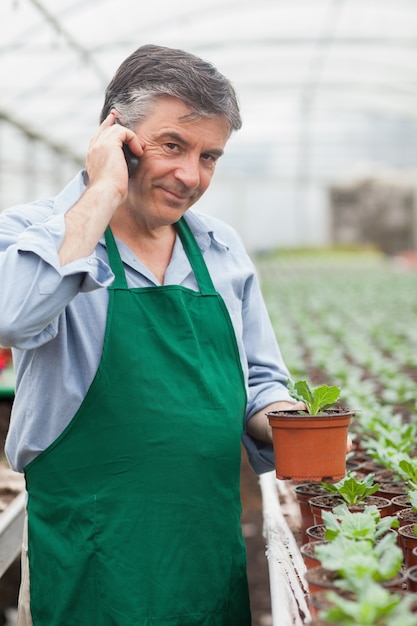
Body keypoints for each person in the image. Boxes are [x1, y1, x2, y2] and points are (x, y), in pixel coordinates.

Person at [0, 44, 304, 626]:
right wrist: (102, 189)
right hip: (89, 557)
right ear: (116, 136)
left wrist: (293, 419)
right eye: (172, 146)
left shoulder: (221, 250)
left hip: (204, 556)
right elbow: (13, 317)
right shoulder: (34, 234)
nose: (191, 176)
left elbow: (262, 381)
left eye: (209, 156)